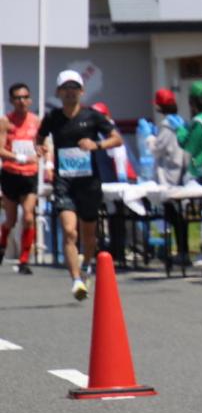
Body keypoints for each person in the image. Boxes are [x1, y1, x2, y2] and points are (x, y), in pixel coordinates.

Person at [36, 69, 124, 300]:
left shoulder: (93, 116)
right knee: (68, 231)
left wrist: (96, 145)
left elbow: (117, 138)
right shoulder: (53, 117)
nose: (70, 92)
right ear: (58, 92)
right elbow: (39, 138)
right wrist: (41, 148)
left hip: (89, 183)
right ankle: (76, 280)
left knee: (88, 234)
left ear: (81, 91)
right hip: (64, 181)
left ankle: (86, 267)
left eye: (74, 88)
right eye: (66, 88)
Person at [138, 89, 191, 265]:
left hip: (169, 175)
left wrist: (150, 137)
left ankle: (180, 252)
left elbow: (158, 149)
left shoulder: (167, 126)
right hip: (181, 171)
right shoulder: (180, 122)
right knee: (179, 216)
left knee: (173, 215)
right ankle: (182, 251)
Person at [0, 82, 41, 274]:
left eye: (25, 97)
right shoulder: (5, 122)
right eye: (17, 98)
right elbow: (1, 150)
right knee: (11, 220)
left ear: (30, 99)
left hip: (30, 175)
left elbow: (42, 145)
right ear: (11, 101)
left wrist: (45, 157)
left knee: (28, 216)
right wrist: (20, 157)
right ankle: (2, 246)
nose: (22, 101)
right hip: (11, 173)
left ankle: (24, 259)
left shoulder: (36, 121)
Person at [90, 102, 136, 264]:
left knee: (118, 216)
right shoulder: (96, 133)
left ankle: (120, 249)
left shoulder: (110, 132)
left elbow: (120, 157)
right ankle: (111, 248)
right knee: (110, 216)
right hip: (105, 182)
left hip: (117, 181)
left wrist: (123, 179)